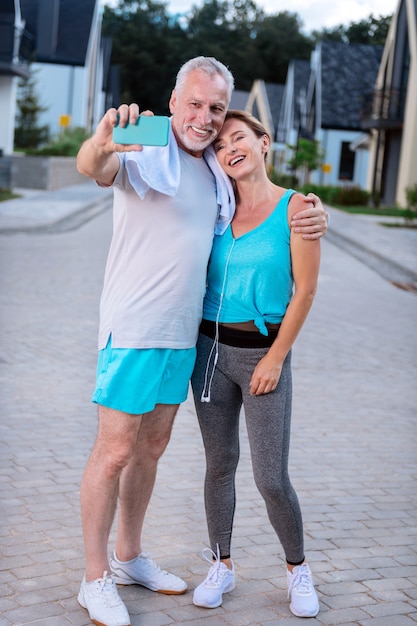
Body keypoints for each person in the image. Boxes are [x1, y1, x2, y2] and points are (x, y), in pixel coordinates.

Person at [76, 57, 328, 626]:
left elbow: (265, 212)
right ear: (174, 98)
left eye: (217, 108)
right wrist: (100, 141)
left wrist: (313, 214)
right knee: (113, 451)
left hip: (186, 336)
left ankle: (128, 557)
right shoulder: (145, 135)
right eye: (196, 103)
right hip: (135, 328)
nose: (206, 118)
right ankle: (94, 579)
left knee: (151, 449)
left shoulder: (216, 168)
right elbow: (90, 163)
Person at [191, 110, 321, 618]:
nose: (229, 149)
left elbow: (305, 291)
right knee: (219, 465)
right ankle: (221, 565)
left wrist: (276, 358)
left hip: (262, 356)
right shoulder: (214, 209)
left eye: (239, 138)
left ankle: (298, 570)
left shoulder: (298, 209)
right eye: (220, 146)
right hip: (208, 354)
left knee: (271, 477)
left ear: (264, 143)